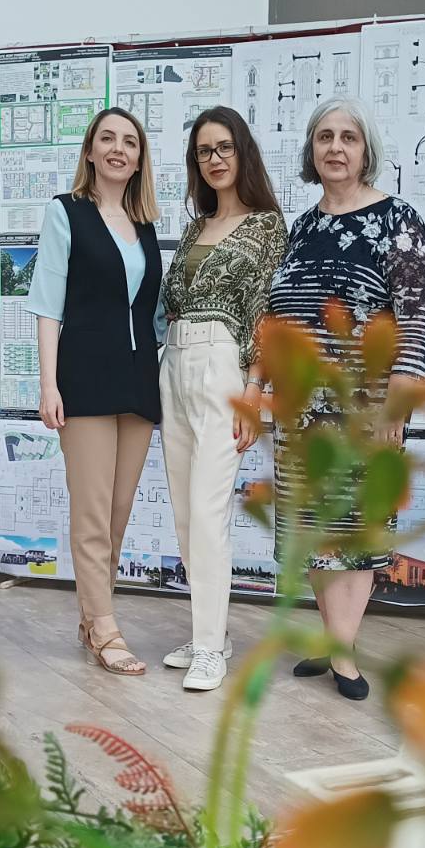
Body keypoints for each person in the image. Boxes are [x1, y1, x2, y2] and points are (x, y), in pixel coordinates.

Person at [265, 96, 425, 701]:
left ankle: (342, 652)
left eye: (348, 138)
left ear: (366, 151)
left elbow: (416, 318)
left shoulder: (397, 220)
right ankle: (337, 639)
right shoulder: (303, 227)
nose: (335, 147)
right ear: (311, 150)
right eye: (325, 137)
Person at [26, 107, 168, 676]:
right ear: (89, 151)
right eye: (107, 138)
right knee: (90, 511)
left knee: (117, 511)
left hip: (138, 381)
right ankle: (106, 628)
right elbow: (47, 305)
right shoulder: (66, 213)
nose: (118, 149)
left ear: (139, 159)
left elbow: (153, 314)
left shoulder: (145, 226)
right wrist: (48, 385)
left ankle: (92, 619)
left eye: (129, 142)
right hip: (83, 379)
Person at [157, 107, 287, 692]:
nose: (214, 159)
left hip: (225, 369)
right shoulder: (194, 228)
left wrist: (256, 390)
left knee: (209, 513)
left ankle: (210, 649)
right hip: (175, 365)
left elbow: (267, 314)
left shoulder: (267, 227)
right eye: (204, 150)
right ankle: (210, 631)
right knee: (186, 513)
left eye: (224, 147)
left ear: (243, 153)